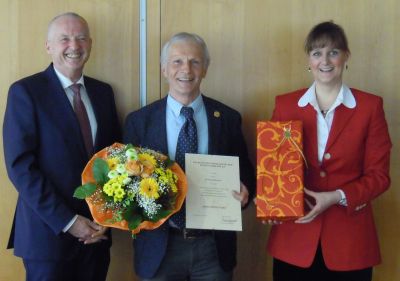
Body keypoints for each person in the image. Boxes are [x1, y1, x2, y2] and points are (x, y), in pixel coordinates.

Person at [266, 21, 392, 281]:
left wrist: (336, 196)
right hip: (294, 240)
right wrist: (269, 201)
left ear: (346, 57)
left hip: (350, 243)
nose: (325, 60)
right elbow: (274, 165)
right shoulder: (286, 104)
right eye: (317, 53)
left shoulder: (370, 107)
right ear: (309, 60)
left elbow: (379, 176)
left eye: (333, 52)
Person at [124, 32, 255, 281]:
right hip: (159, 248)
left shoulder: (227, 118)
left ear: (205, 68)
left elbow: (245, 170)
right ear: (164, 69)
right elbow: (125, 185)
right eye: (177, 61)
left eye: (195, 61)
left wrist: (245, 191)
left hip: (213, 249)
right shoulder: (139, 121)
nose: (186, 69)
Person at [3, 12, 121, 281]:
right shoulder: (26, 92)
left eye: (81, 38)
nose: (74, 46)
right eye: (64, 39)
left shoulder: (103, 93)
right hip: (47, 237)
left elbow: (116, 159)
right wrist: (69, 222)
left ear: (90, 44)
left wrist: (106, 218)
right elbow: (21, 168)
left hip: (96, 236)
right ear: (49, 46)